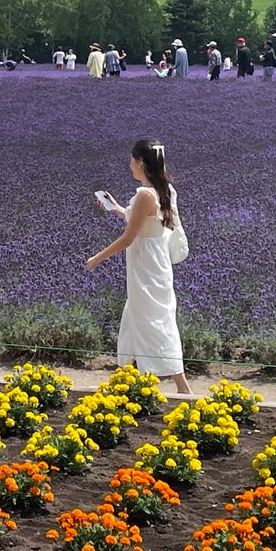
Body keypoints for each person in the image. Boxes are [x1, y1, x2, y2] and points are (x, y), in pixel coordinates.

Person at [86, 139, 191, 394]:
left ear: (141, 163)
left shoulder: (145, 194)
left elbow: (129, 237)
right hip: (155, 262)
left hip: (145, 265)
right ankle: (123, 380)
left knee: (152, 320)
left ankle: (182, 387)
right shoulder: (163, 189)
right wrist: (117, 209)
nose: (129, 164)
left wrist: (97, 258)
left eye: (132, 160)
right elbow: (144, 221)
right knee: (137, 316)